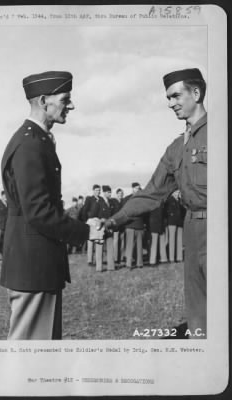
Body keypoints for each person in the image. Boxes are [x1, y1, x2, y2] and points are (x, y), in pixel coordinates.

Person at [104, 68, 207, 338]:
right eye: (168, 98)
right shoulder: (176, 148)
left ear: (196, 93)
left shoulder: (221, 133)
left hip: (219, 229)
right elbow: (151, 193)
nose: (170, 104)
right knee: (198, 310)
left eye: (176, 96)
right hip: (192, 232)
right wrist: (113, 220)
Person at [0, 70, 103, 340]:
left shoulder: (35, 139)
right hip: (34, 265)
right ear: (44, 101)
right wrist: (85, 232)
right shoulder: (30, 144)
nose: (71, 105)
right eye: (65, 99)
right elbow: (39, 212)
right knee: (31, 358)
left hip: (36, 263)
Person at [94, 185, 117, 272]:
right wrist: (100, 220)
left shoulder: (111, 203)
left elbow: (114, 214)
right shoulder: (99, 202)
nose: (110, 194)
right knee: (99, 248)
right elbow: (93, 215)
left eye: (110, 192)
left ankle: (111, 267)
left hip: (109, 228)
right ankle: (99, 268)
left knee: (110, 247)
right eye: (108, 192)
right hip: (100, 229)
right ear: (104, 193)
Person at [123, 183, 145, 269]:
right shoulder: (126, 199)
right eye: (136, 188)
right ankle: (129, 264)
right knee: (130, 246)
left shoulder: (142, 200)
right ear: (132, 189)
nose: (137, 190)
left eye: (139, 188)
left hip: (140, 225)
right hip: (130, 225)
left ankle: (139, 263)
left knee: (139, 246)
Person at [81, 184, 102, 266]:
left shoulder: (101, 200)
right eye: (96, 190)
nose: (98, 192)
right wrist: (86, 220)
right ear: (93, 191)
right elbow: (84, 210)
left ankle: (97, 260)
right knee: (90, 241)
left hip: (98, 221)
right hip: (91, 220)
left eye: (99, 190)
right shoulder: (89, 199)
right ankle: (90, 260)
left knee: (98, 240)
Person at [165, 190, 186, 262]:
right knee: (172, 240)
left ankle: (179, 257)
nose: (178, 193)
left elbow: (183, 211)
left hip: (179, 222)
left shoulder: (181, 201)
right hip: (171, 222)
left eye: (178, 192)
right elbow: (165, 211)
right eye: (176, 192)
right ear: (172, 192)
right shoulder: (169, 200)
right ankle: (171, 258)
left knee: (179, 241)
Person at [112, 188, 126, 264]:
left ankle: (121, 257)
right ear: (117, 194)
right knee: (116, 241)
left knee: (122, 241)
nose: (120, 195)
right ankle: (115, 258)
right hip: (115, 224)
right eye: (119, 193)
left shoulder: (124, 201)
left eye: (121, 193)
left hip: (123, 224)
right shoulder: (114, 201)